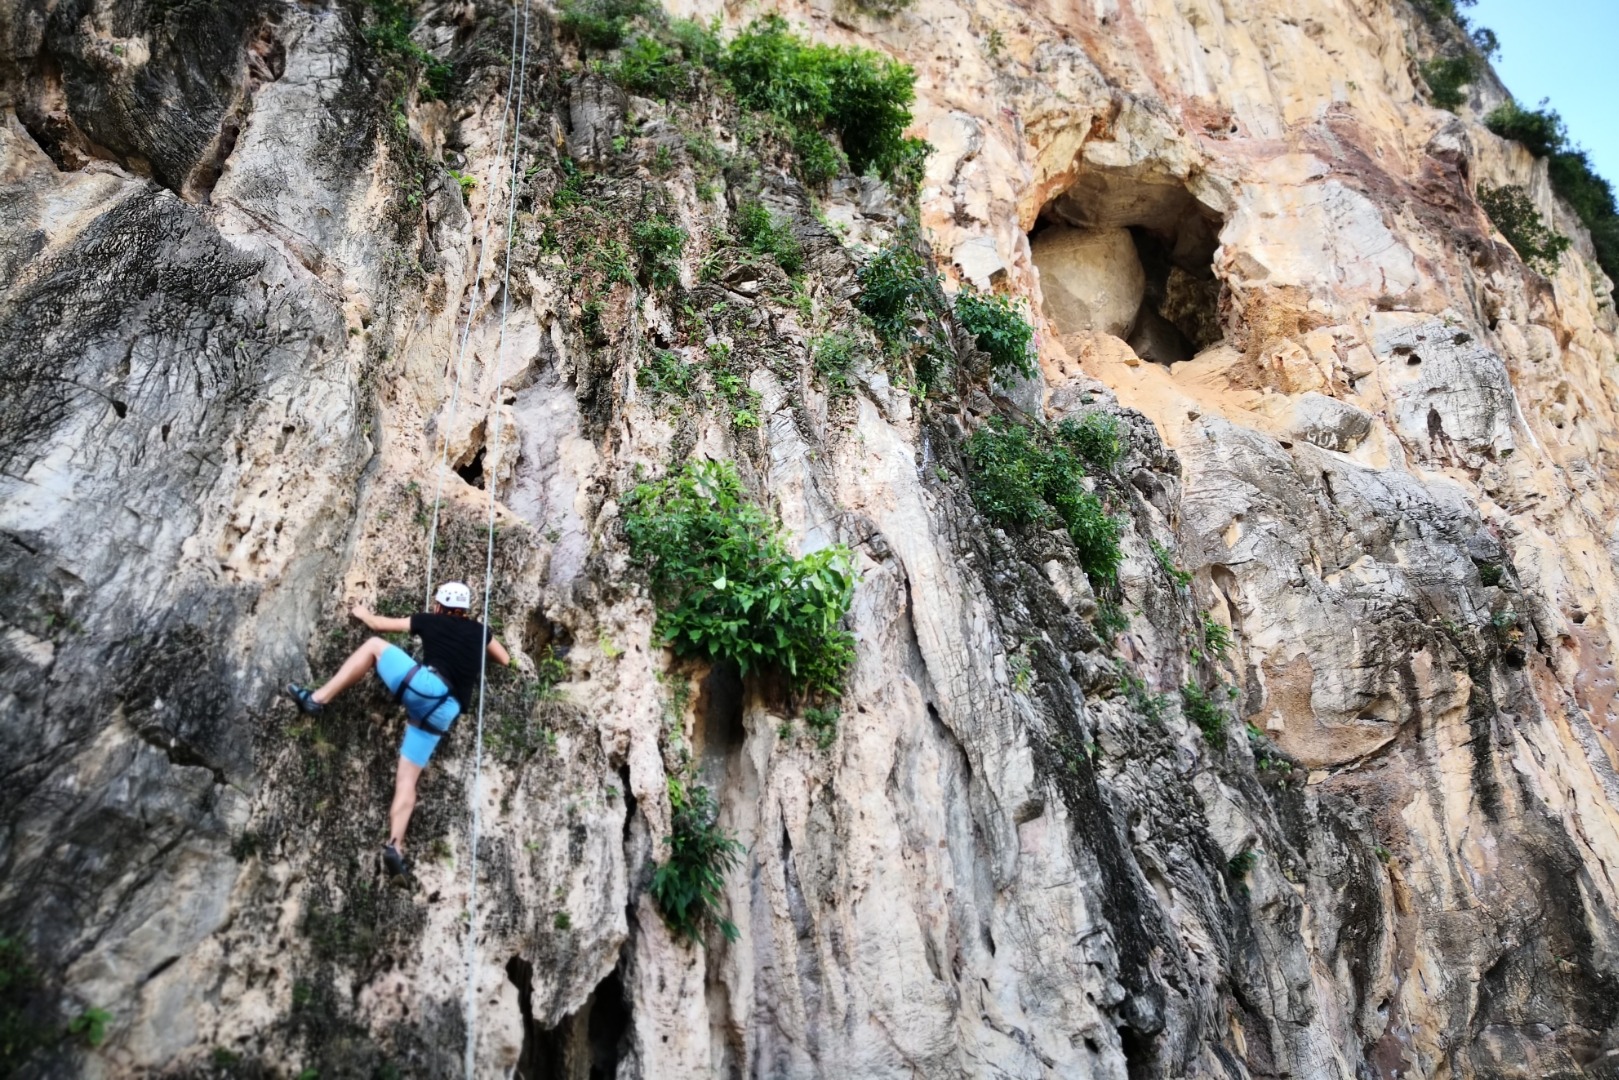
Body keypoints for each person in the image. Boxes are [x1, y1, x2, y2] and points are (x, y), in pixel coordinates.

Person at [285, 582, 510, 881]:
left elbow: (378, 625)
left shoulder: (431, 620)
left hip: (428, 688)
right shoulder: (481, 632)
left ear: (440, 605)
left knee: (374, 646)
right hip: (445, 711)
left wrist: (360, 611)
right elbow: (505, 659)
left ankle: (316, 699)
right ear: (466, 610)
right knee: (407, 780)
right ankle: (395, 846)